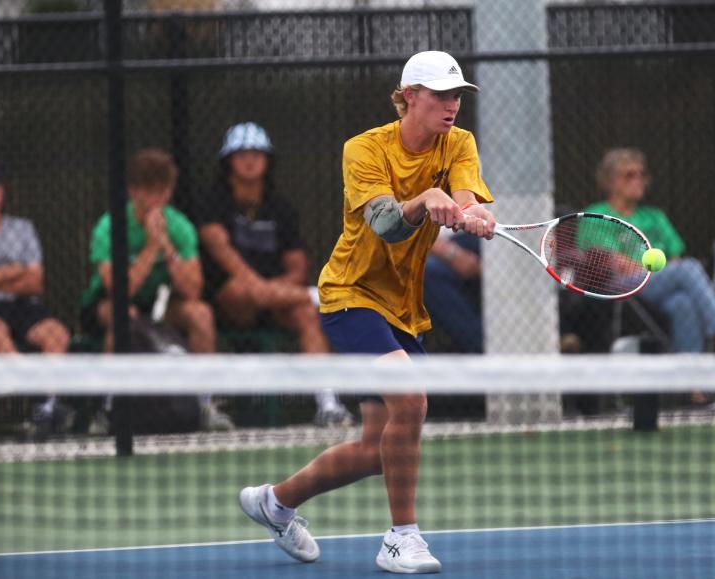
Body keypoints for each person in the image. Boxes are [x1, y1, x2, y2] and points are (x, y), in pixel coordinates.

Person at [238, 50, 496, 574]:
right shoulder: (363, 149)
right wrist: (428, 199)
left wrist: (473, 215)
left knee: (373, 449)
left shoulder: (459, 143)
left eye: (457, 96)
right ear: (408, 98)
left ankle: (276, 503)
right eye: (441, 95)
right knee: (414, 401)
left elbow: (464, 198)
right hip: (349, 295)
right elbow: (385, 224)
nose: (452, 106)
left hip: (403, 307)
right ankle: (401, 538)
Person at [190, 122, 353, 426]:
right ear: (228, 162)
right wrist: (257, 288)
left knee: (306, 313)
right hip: (229, 301)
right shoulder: (211, 204)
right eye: (241, 154)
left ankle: (329, 404)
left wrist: (271, 290)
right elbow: (222, 253)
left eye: (257, 153)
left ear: (267, 161)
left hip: (276, 299)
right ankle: (322, 296)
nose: (250, 159)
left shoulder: (281, 208)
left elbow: (297, 266)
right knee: (243, 290)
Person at [583, 149, 715, 400]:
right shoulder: (596, 214)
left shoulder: (655, 216)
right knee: (689, 269)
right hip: (621, 288)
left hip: (659, 283)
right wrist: (658, 270)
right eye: (628, 176)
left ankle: (692, 386)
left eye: (641, 175)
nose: (638, 181)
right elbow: (613, 262)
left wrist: (663, 271)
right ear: (609, 181)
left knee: (683, 303)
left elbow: (674, 255)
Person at [80, 149, 232, 430]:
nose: (158, 200)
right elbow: (119, 290)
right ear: (132, 191)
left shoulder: (179, 226)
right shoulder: (109, 226)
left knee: (201, 314)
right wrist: (150, 247)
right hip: (110, 303)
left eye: (164, 192)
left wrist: (167, 246)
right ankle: (109, 407)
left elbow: (192, 289)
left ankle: (204, 404)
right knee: (123, 313)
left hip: (163, 302)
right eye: (150, 192)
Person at [0, 160, 72, 430]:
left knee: (57, 335)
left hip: (21, 305)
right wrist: (15, 270)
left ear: (3, 190)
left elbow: (35, 283)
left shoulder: (22, 228)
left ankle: (48, 405)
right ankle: (37, 393)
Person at [423, 229, 483, 353]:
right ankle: (482, 349)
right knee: (428, 272)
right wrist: (451, 253)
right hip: (440, 244)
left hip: (492, 239)